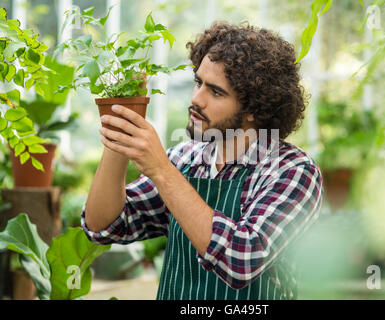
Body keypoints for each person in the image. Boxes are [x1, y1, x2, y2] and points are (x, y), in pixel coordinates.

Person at [81, 22, 323, 300]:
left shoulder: (292, 171)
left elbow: (241, 260)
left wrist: (161, 169)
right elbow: (104, 226)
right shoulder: (185, 160)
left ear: (255, 108)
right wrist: (120, 131)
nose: (196, 99)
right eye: (198, 83)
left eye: (216, 92)